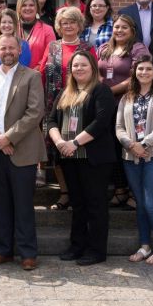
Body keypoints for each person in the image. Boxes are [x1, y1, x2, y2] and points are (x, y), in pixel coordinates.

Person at [0, 34, 46, 271]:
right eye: (3, 48)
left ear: (19, 50)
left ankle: (28, 253)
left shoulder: (32, 76)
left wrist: (9, 137)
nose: (7, 51)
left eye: (12, 48)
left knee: (24, 205)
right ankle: (2, 250)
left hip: (22, 151)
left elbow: (35, 112)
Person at [46, 51, 116, 266]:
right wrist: (60, 143)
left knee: (95, 204)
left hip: (93, 158)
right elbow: (51, 121)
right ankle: (77, 246)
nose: (79, 69)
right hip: (69, 158)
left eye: (83, 65)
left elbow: (101, 122)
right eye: (75, 65)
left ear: (92, 67)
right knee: (77, 204)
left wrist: (74, 143)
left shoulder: (101, 90)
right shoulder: (64, 92)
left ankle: (96, 250)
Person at [115, 55, 153, 265]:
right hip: (131, 156)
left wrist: (145, 144)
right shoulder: (127, 97)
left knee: (150, 203)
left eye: (148, 69)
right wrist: (131, 145)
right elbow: (119, 127)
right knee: (140, 203)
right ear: (135, 72)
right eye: (140, 69)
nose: (144, 72)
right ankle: (144, 246)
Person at [38, 7, 96, 211]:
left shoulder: (87, 47)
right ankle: (64, 193)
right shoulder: (52, 46)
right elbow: (42, 73)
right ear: (59, 26)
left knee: (78, 147)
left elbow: (95, 76)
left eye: (72, 22)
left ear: (79, 25)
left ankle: (79, 193)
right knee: (58, 150)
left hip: (81, 104)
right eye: (64, 23)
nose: (68, 26)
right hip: (55, 104)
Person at [98, 14, 150, 209]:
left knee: (129, 147)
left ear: (132, 31)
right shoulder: (105, 48)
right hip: (106, 106)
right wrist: (100, 88)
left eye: (124, 28)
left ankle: (135, 193)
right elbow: (97, 72)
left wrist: (110, 91)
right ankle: (120, 190)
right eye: (116, 27)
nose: (119, 30)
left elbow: (138, 75)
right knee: (111, 147)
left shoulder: (137, 48)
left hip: (129, 105)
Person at [0, 8, 31, 75]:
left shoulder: (23, 46)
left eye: (10, 22)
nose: (7, 25)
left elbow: (22, 71)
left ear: (15, 25)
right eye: (4, 22)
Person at [17, 0, 55, 70]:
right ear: (19, 8)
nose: (28, 8)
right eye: (24, 5)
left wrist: (35, 71)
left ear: (37, 8)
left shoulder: (47, 30)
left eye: (31, 5)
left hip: (38, 74)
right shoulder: (12, 28)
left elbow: (51, 55)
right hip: (14, 75)